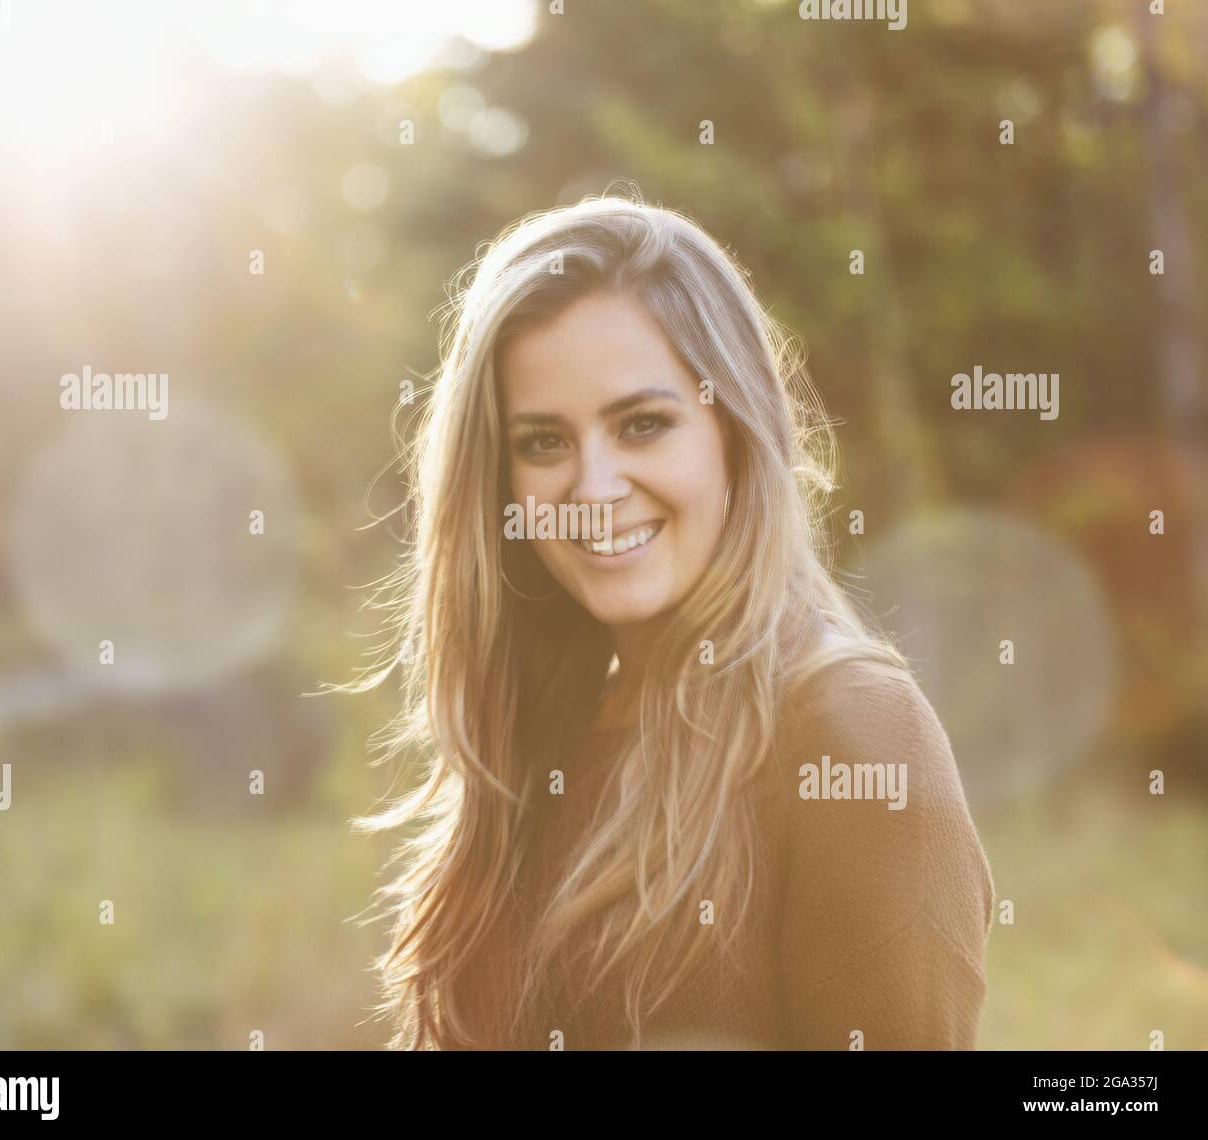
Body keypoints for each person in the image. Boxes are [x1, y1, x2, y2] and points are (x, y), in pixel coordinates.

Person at [342, 192, 994, 1050]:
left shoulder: (853, 733)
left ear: (735, 431)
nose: (593, 491)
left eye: (643, 425)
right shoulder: (545, 730)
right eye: (543, 443)